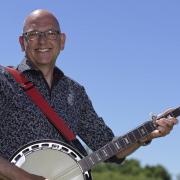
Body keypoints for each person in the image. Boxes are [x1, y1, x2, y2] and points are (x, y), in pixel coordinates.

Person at [0, 9, 178, 180]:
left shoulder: (74, 92)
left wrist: (148, 133)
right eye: (33, 34)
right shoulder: (4, 80)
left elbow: (110, 148)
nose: (42, 40)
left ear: (62, 41)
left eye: (51, 33)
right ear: (22, 43)